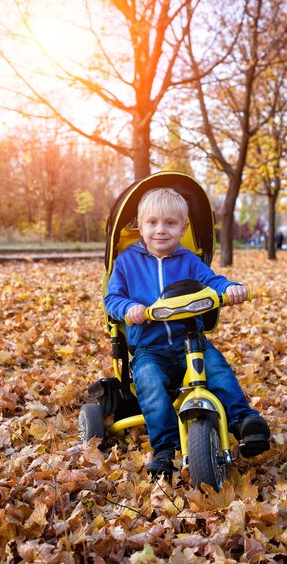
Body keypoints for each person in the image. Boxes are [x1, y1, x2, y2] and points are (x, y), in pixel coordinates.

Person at [104, 187, 270, 477]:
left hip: (188, 340)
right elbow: (112, 299)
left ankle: (244, 421)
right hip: (149, 347)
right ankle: (165, 449)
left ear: (183, 227)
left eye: (170, 223)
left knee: (217, 369)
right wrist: (129, 307)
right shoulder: (127, 263)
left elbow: (212, 281)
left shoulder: (189, 261)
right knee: (150, 384)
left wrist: (229, 288)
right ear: (140, 226)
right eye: (152, 223)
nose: (160, 230)